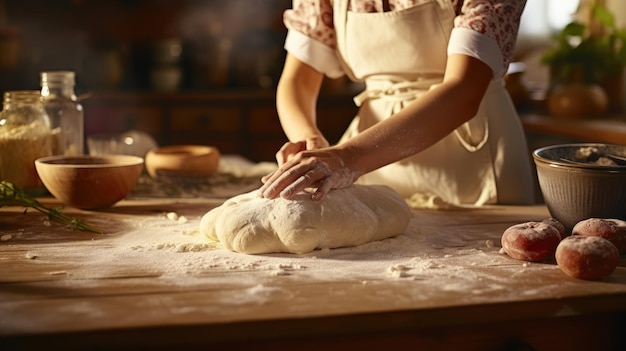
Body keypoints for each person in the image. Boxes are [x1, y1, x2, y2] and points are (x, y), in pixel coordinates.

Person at [259, 0, 535, 207]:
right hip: (368, 159)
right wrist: (311, 142)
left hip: (473, 159)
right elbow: (298, 80)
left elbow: (464, 89)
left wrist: (347, 158)